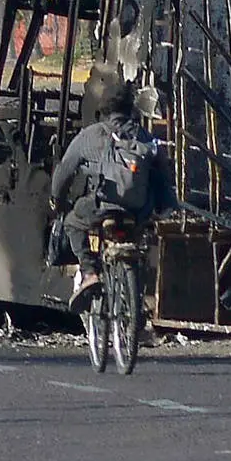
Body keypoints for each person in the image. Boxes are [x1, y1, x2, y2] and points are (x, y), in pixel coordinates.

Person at [49, 68, 173, 304]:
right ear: (130, 108)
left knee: (73, 223)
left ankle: (89, 272)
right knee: (141, 237)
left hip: (103, 206)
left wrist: (58, 200)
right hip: (138, 209)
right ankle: (138, 286)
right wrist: (163, 207)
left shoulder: (91, 135)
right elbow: (163, 173)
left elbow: (65, 170)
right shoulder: (144, 136)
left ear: (104, 108)